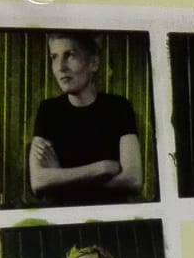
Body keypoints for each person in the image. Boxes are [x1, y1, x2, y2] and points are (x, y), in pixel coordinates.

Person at [28, 32, 143, 205]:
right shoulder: (49, 110)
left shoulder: (118, 107)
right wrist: (101, 168)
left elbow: (133, 180)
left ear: (93, 63)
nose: (60, 67)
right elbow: (38, 182)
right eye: (54, 57)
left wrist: (60, 178)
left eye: (70, 55)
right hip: (65, 216)